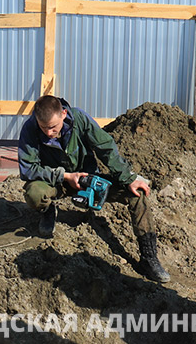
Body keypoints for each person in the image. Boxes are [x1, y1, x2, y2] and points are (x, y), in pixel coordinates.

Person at [17, 95, 170, 283]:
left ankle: (149, 257)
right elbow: (28, 169)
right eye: (44, 128)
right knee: (34, 194)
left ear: (64, 113)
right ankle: (48, 210)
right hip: (57, 181)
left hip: (87, 179)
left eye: (53, 127)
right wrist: (65, 176)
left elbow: (105, 148)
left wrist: (128, 178)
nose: (49, 133)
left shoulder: (79, 119)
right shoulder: (30, 128)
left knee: (137, 195)